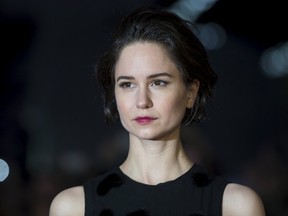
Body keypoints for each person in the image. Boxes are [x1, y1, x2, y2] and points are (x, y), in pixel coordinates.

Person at [49, 6, 266, 216]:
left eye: (158, 83)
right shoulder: (74, 207)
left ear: (190, 93)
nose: (142, 101)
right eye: (127, 84)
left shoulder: (235, 206)